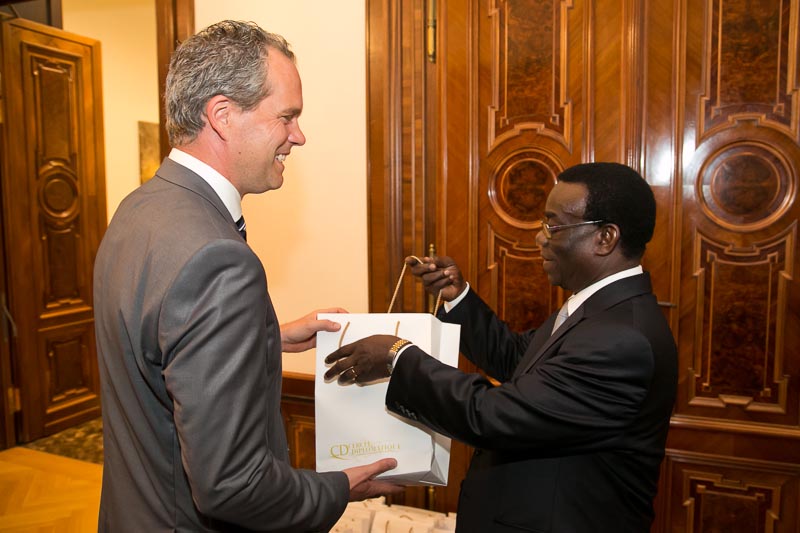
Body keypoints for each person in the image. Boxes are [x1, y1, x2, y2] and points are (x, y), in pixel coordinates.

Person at [93, 20, 399, 532]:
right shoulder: (217, 257)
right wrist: (338, 488)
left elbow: (160, 345)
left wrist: (267, 336)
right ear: (222, 116)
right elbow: (232, 485)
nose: (298, 136)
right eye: (287, 116)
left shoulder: (140, 208)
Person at [325, 162, 678, 532]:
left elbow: (495, 415)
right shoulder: (597, 310)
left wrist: (398, 356)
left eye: (553, 225)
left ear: (605, 238)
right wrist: (457, 298)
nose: (540, 238)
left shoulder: (621, 338)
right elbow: (516, 359)